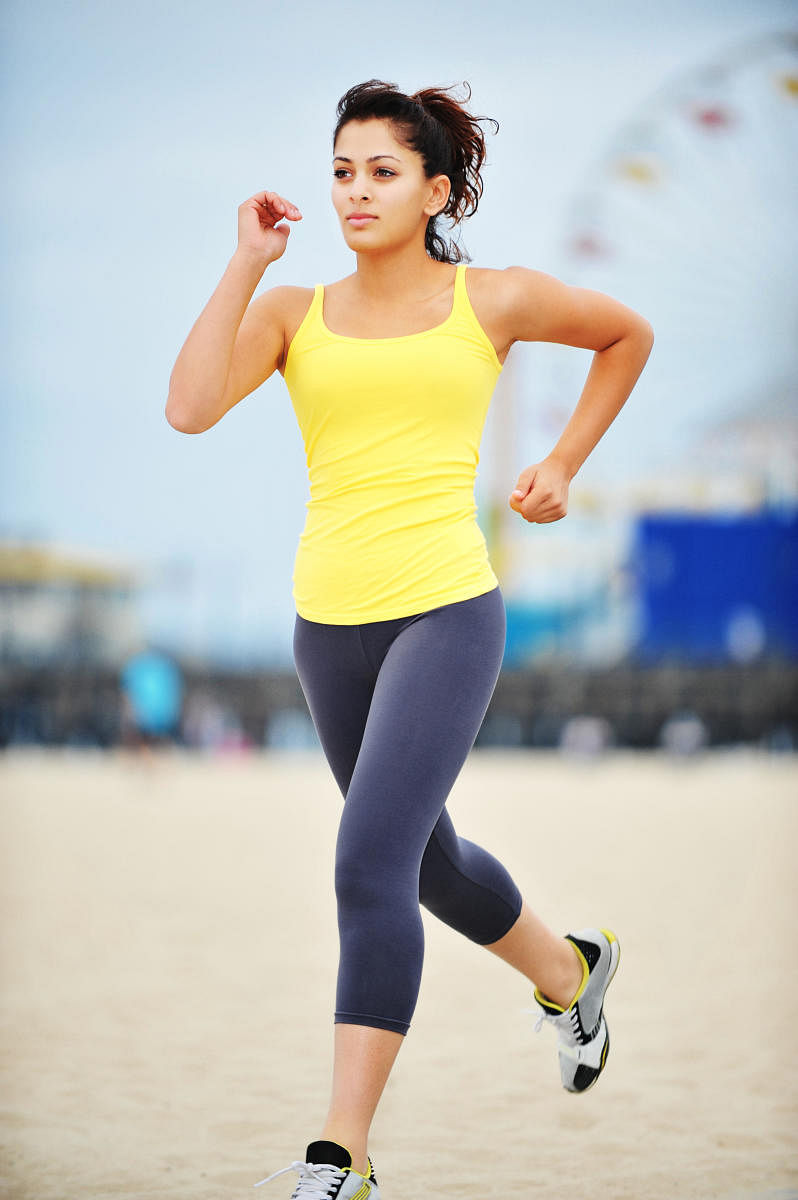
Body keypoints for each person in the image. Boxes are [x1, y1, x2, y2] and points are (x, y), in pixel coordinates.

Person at [166, 79, 653, 1199]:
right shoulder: (294, 313)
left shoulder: (496, 298)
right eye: (342, 170)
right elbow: (190, 408)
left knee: (366, 864)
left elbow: (627, 335)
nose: (355, 191)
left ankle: (342, 1152)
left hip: (446, 609)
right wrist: (245, 262)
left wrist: (566, 461)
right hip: (327, 625)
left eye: (382, 171)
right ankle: (574, 973)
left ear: (437, 190)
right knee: (425, 865)